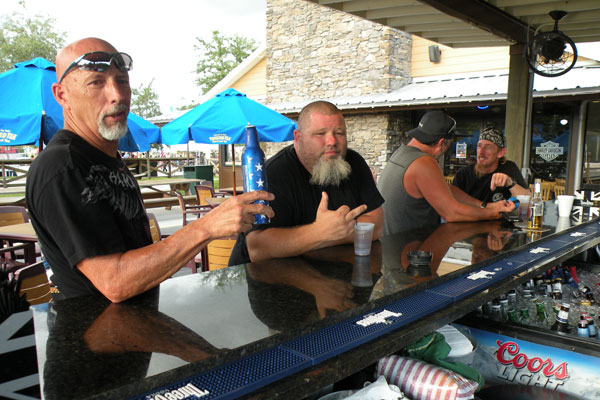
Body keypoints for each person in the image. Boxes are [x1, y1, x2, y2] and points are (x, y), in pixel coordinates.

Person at [25, 37, 273, 302]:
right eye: (96, 82)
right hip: (93, 328)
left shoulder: (106, 158)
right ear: (62, 95)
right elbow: (115, 282)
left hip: (137, 323)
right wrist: (207, 227)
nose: (117, 95)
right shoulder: (64, 166)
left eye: (122, 81)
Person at [229, 100, 384, 265]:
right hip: (262, 277)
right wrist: (319, 233)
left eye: (339, 133)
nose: (332, 141)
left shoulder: (354, 162)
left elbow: (376, 225)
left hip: (330, 271)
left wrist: (330, 234)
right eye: (320, 134)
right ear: (298, 137)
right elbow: (257, 248)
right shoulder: (272, 174)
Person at [377, 111, 515, 236]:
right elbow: (452, 213)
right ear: (441, 143)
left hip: (391, 246)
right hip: (408, 250)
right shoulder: (423, 162)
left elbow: (444, 189)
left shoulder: (401, 153)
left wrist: (486, 205)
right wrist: (493, 213)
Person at [452, 127, 530, 203]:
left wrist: (510, 182)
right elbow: (452, 205)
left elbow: (527, 201)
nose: (481, 152)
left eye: (488, 147)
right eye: (479, 146)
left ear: (500, 153)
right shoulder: (463, 174)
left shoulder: (509, 168)